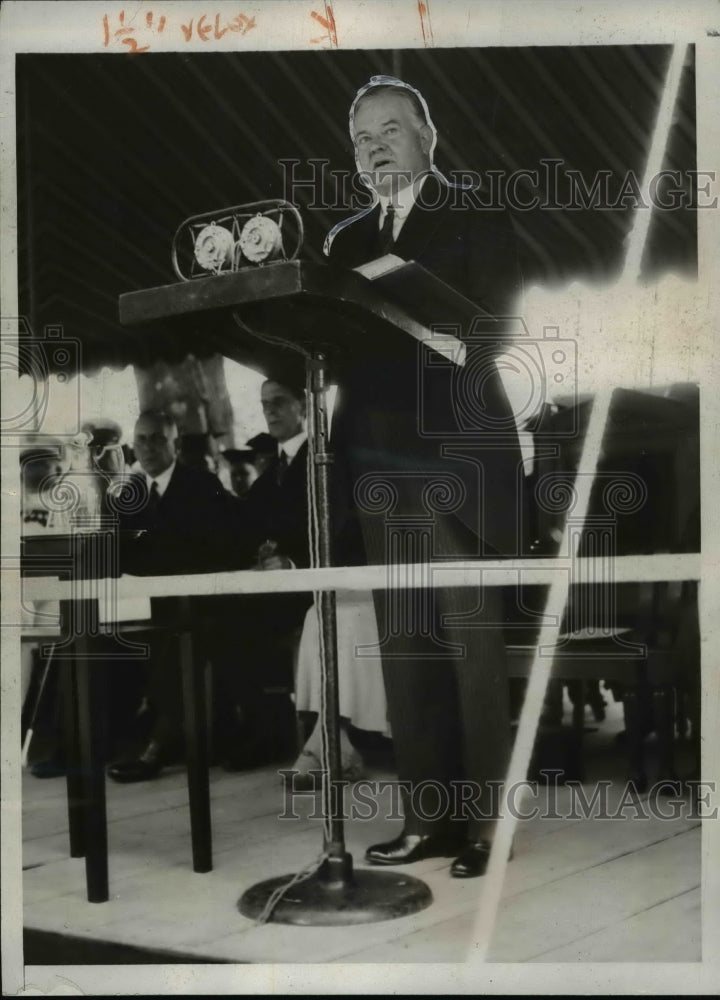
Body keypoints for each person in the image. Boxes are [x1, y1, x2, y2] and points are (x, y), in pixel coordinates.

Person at [324, 77, 524, 877]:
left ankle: (485, 828)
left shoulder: (476, 213)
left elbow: (493, 329)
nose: (375, 148)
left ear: (427, 139)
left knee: (471, 646)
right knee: (406, 645)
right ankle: (428, 821)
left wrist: (411, 297)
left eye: (389, 131)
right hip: (378, 461)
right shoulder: (340, 242)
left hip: (455, 455)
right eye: (361, 139)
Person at [107, 410, 241, 781]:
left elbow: (219, 548)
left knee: (179, 632)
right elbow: (117, 553)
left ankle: (156, 746)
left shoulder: (202, 484)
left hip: (202, 603)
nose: (147, 447)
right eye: (141, 440)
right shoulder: (127, 495)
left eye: (157, 438)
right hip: (146, 603)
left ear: (176, 444)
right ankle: (104, 738)